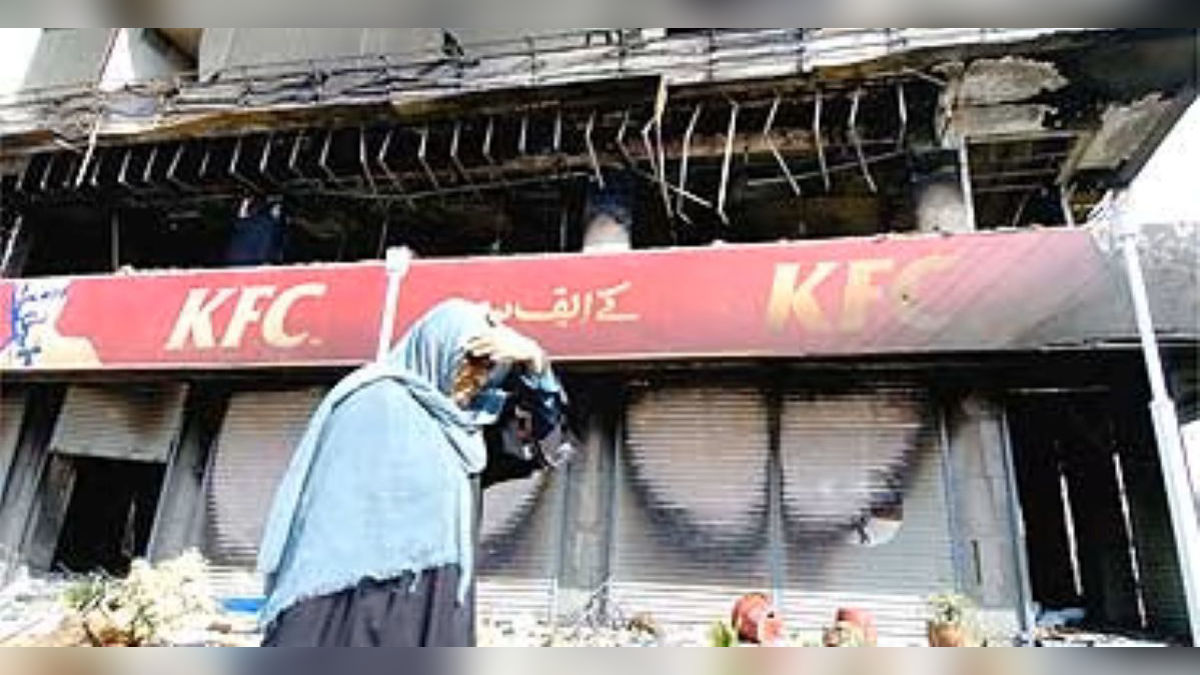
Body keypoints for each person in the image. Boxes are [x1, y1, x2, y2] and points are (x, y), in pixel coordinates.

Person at [256, 298, 569, 646]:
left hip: (432, 602)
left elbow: (545, 446)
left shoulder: (464, 428)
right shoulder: (371, 400)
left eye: (487, 372)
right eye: (468, 363)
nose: (473, 383)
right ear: (435, 347)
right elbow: (324, 529)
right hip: (346, 602)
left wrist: (537, 365)